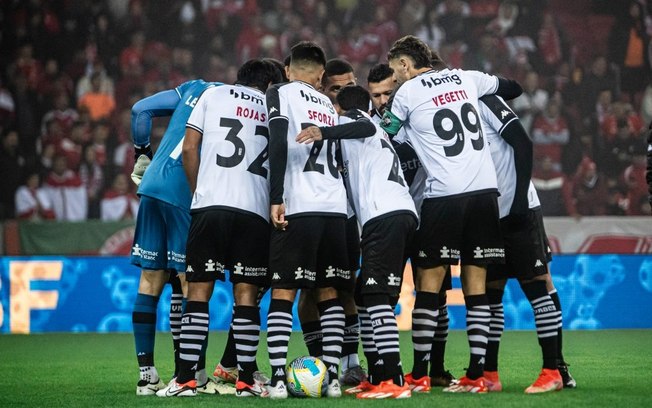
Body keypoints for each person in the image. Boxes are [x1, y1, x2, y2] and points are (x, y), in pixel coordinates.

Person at [381, 35, 522, 394]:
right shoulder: (466, 77)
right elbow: (513, 87)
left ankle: (419, 373)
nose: (395, 81)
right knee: (477, 290)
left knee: (429, 286)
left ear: (404, 65)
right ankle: (478, 375)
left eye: (396, 74)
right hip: (485, 194)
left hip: (445, 196)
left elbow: (387, 134)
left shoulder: (408, 94)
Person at [157, 59, 282, 398]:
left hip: (211, 206)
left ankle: (184, 381)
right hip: (254, 211)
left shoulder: (213, 95)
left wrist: (200, 191)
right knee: (246, 296)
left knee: (198, 292)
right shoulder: (274, 108)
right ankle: (244, 381)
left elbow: (189, 148)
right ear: (269, 83)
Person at [264, 41, 373, 399]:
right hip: (335, 209)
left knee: (285, 289)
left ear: (288, 69)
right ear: (322, 76)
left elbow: (278, 140)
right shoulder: (328, 103)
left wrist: (276, 196)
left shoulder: (280, 91)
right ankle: (333, 380)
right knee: (329, 291)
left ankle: (279, 377)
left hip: (301, 203)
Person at [297, 84, 418, 398]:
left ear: (339, 109)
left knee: (375, 297)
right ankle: (378, 375)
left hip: (385, 216)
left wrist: (323, 130)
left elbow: (361, 124)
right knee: (365, 297)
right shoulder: (374, 133)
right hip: (399, 214)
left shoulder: (361, 124)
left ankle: (394, 379)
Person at [129, 78, 228, 396]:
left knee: (150, 281)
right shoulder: (239, 103)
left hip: (151, 186)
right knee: (191, 284)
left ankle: (147, 376)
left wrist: (142, 154)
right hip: (184, 191)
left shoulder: (194, 87)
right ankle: (192, 375)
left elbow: (140, 110)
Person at [366, 62, 455, 390]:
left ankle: (436, 369)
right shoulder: (368, 127)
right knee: (381, 296)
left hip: (427, 216)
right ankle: (379, 369)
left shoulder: (420, 116)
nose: (382, 100)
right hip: (390, 220)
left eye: (388, 92)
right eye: (376, 95)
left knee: (436, 296)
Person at [478, 93, 571, 393]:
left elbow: (523, 142)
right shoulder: (440, 109)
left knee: (538, 281)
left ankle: (555, 368)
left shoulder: (486, 99)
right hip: (489, 215)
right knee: (491, 290)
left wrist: (518, 200)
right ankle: (489, 373)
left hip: (520, 208)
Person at [297, 57, 367, 387]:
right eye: (336, 89)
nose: (343, 94)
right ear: (323, 90)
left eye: (349, 87)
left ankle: (351, 362)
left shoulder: (363, 118)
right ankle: (321, 365)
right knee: (307, 295)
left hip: (348, 216)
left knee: (345, 288)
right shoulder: (312, 116)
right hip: (313, 211)